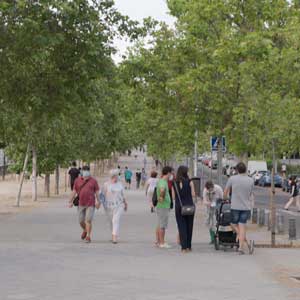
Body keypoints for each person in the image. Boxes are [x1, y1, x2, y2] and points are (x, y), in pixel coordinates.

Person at [224, 162, 254, 255]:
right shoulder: (251, 180)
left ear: (236, 170)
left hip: (235, 206)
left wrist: (226, 198)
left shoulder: (232, 178)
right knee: (242, 226)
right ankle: (241, 247)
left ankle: (245, 242)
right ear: (245, 170)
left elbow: (225, 192)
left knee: (233, 224)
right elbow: (250, 193)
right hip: (246, 207)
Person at [69, 165, 100, 243]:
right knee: (80, 220)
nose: (85, 171)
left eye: (87, 170)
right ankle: (85, 230)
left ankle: (88, 236)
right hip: (81, 203)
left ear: (89, 171)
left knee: (88, 220)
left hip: (90, 203)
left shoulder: (93, 181)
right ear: (82, 171)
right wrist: (70, 201)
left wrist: (98, 201)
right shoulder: (77, 180)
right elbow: (74, 191)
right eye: (84, 170)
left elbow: (96, 192)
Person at [172, 166, 196, 253]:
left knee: (181, 226)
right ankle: (189, 246)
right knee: (189, 226)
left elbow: (174, 197)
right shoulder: (190, 182)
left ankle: (183, 247)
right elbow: (193, 194)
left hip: (179, 207)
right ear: (186, 173)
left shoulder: (174, 183)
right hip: (189, 206)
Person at [101, 169, 128, 243]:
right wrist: (99, 203)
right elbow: (102, 195)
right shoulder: (106, 184)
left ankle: (114, 237)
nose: (116, 178)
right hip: (108, 206)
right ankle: (113, 234)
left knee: (115, 220)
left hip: (119, 205)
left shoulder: (120, 184)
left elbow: (123, 195)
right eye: (114, 176)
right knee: (110, 221)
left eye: (117, 176)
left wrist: (125, 204)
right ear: (111, 177)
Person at [156, 166, 173, 248]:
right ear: (168, 173)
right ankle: (162, 243)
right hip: (163, 206)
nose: (171, 175)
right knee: (162, 225)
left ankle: (159, 241)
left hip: (162, 206)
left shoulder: (162, 181)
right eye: (171, 173)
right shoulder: (163, 182)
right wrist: (162, 198)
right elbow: (162, 190)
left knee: (160, 224)